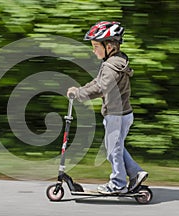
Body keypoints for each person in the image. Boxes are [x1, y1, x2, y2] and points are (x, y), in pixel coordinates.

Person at [67, 21, 148, 194]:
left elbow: (101, 88)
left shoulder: (111, 66)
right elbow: (98, 82)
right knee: (115, 147)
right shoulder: (116, 61)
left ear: (109, 45)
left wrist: (80, 94)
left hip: (116, 115)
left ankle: (118, 184)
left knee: (113, 149)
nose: (93, 50)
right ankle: (136, 173)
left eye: (96, 46)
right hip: (122, 113)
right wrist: (80, 89)